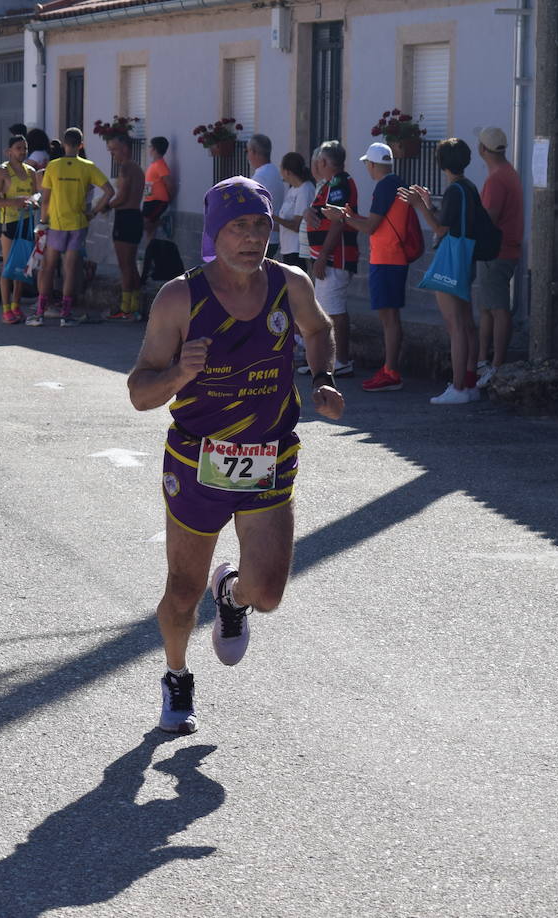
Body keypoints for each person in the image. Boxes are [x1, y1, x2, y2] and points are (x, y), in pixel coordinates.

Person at [127, 177, 345, 734]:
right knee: (182, 589)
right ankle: (177, 677)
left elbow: (318, 330)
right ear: (215, 232)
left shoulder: (289, 284)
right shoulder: (180, 297)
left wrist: (321, 378)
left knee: (267, 593)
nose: (253, 238)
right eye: (239, 226)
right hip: (198, 460)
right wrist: (180, 373)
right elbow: (139, 392)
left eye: (261, 225)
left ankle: (234, 593)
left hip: (268, 455)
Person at [323, 141, 419, 392]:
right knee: (390, 316)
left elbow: (370, 227)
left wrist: (344, 217)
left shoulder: (386, 185)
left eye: (367, 164)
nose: (367, 168)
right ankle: (389, 370)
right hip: (390, 257)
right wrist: (348, 216)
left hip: (388, 258)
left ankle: (391, 372)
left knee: (389, 318)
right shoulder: (394, 182)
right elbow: (377, 223)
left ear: (373, 165)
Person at [400, 138, 484, 405]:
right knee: (467, 323)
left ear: (441, 163)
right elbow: (451, 221)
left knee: (455, 326)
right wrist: (429, 205)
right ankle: (470, 383)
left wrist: (419, 206)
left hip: (450, 261)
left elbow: (440, 229)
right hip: (467, 258)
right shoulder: (469, 187)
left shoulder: (453, 190)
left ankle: (458, 387)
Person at [36, 127, 114, 327]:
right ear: (81, 145)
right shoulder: (87, 166)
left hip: (56, 223)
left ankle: (40, 313)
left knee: (48, 267)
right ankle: (65, 314)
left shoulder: (53, 166)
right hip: (78, 223)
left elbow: (45, 199)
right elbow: (109, 191)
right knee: (70, 269)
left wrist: (43, 221)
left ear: (63, 144)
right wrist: (93, 212)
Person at [474, 126, 524, 389]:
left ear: (483, 149)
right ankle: (484, 360)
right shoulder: (508, 173)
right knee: (488, 307)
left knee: (497, 308)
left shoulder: (496, 179)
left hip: (497, 251)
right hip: (501, 250)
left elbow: (489, 218)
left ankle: (496, 366)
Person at [304, 141, 359, 378]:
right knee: (324, 310)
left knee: (334, 312)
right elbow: (317, 212)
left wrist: (324, 255)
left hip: (335, 259)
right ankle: (323, 361)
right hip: (325, 258)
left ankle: (341, 361)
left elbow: (337, 220)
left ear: (324, 162)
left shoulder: (339, 183)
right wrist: (308, 213)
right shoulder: (328, 185)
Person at [0, 134, 40, 325]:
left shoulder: (31, 171)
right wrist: (14, 202)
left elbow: (37, 194)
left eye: (25, 148)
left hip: (27, 222)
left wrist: (34, 201)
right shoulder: (2, 172)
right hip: (9, 224)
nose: (23, 151)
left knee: (22, 268)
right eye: (19, 148)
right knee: (8, 267)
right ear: (8, 151)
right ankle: (6, 309)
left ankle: (16, 306)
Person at [105, 134, 147, 321]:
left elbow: (122, 196)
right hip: (134, 216)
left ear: (124, 148)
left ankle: (126, 308)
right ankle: (134, 307)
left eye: (113, 149)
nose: (112, 153)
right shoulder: (138, 168)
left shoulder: (126, 167)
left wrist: (106, 205)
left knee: (125, 265)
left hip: (126, 217)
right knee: (130, 265)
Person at [247, 133, 286, 258]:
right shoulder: (274, 171)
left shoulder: (260, 177)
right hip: (273, 236)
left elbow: (250, 208)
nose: (248, 156)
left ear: (253, 151)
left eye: (248, 151)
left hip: (263, 238)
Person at [275, 151, 315, 272]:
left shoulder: (305, 190)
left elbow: (296, 225)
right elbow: (285, 223)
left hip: (297, 250)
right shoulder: (293, 189)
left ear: (287, 171)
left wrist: (274, 218)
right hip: (288, 248)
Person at [141, 136, 173, 242]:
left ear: (154, 149)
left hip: (158, 201)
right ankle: (150, 253)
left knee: (145, 224)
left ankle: (163, 222)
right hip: (149, 200)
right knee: (149, 229)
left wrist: (169, 198)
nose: (149, 149)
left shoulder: (160, 164)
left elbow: (169, 183)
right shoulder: (153, 165)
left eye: (150, 146)